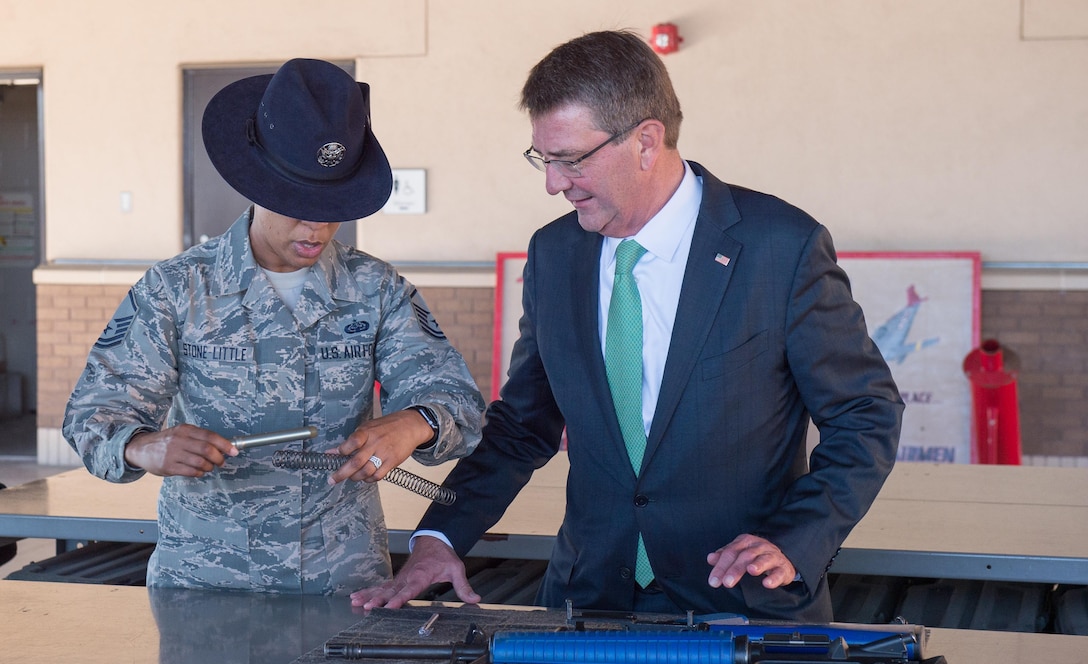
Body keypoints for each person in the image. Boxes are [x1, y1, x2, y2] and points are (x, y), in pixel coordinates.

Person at [352, 31, 903, 621]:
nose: (553, 183)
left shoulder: (780, 246)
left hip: (743, 607)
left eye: (572, 159)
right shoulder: (554, 254)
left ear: (646, 141)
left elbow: (864, 413)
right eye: (544, 159)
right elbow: (522, 425)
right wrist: (439, 538)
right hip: (587, 600)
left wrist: (798, 539)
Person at [63, 58, 485, 595]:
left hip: (345, 583)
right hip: (207, 585)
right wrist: (143, 446)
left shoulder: (375, 290)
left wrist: (415, 423)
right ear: (257, 185)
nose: (315, 227)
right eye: (298, 205)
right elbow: (90, 415)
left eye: (333, 206)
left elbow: (459, 404)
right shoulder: (177, 289)